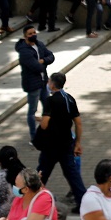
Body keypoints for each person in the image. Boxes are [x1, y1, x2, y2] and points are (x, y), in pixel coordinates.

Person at [36, 71, 86, 208]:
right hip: (66, 144)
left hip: (51, 146)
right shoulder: (69, 98)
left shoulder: (50, 101)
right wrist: (78, 143)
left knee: (41, 174)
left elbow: (46, 123)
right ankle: (84, 203)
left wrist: (40, 121)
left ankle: (31, 201)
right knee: (73, 176)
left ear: (52, 84)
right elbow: (78, 123)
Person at [17, 24, 55, 144]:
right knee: (32, 111)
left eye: (34, 33)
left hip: (43, 82)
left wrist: (43, 60)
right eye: (30, 34)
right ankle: (34, 138)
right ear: (25, 36)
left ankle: (46, 132)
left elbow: (51, 56)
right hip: (33, 85)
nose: (33, 35)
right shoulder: (24, 52)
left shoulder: (39, 44)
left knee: (48, 108)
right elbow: (36, 67)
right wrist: (43, 63)